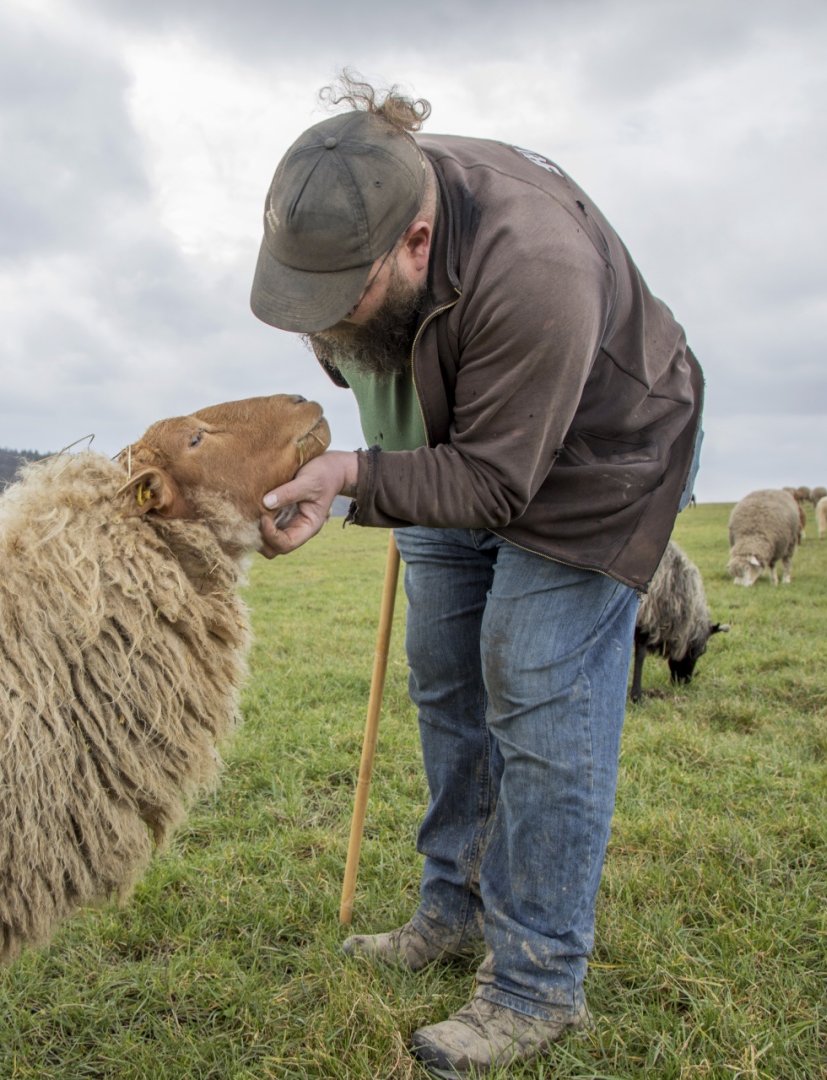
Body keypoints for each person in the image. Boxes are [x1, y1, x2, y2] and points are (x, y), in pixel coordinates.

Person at [249, 76, 704, 1076]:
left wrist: (353, 479)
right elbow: (369, 356)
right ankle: (449, 910)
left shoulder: (531, 266)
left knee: (533, 679)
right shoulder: (350, 219)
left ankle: (537, 981)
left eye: (338, 300)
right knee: (446, 672)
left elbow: (498, 481)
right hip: (445, 438)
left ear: (416, 243)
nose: (318, 323)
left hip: (595, 459)